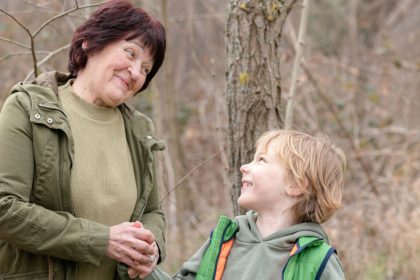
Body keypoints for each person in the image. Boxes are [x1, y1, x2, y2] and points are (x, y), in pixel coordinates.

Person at [0, 1, 167, 279]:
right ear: (90, 42)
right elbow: (5, 209)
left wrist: (151, 248)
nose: (136, 72)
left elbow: (152, 211)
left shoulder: (140, 131)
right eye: (130, 52)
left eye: (146, 69)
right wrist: (101, 240)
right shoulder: (28, 108)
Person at [147, 130, 345, 280]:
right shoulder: (224, 240)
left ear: (295, 185)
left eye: (261, 160)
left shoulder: (320, 260)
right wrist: (143, 271)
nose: (243, 167)